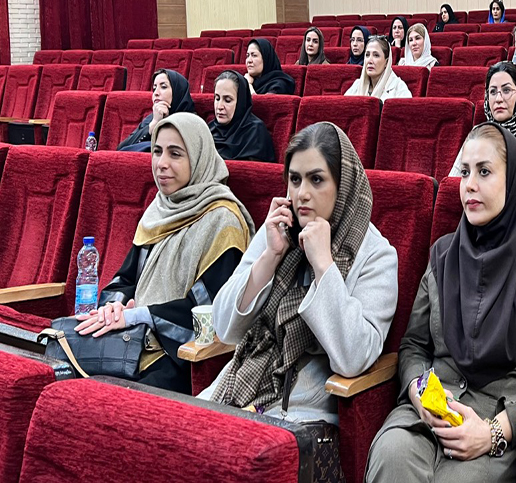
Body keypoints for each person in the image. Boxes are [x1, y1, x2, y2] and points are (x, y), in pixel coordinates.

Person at [365, 124, 516, 482]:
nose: (469, 184)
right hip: (428, 414)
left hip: (495, 423)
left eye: (484, 172)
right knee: (392, 456)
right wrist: (419, 396)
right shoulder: (442, 256)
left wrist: (493, 433)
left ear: (512, 183)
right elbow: (414, 345)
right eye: (465, 172)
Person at [205, 122, 398, 433]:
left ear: (342, 185)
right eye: (295, 180)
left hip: (307, 409)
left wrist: (324, 266)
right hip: (241, 384)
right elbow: (225, 327)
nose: (302, 194)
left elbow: (354, 358)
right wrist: (271, 256)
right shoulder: (279, 230)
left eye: (316, 179)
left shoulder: (376, 254)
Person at [76, 113, 254, 393]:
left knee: (99, 399)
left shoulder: (223, 222)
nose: (161, 163)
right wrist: (115, 307)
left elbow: (209, 311)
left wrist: (140, 316)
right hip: (130, 342)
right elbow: (126, 279)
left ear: (198, 158)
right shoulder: (159, 209)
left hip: (180, 358)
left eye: (175, 154)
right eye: (157, 151)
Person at [449, 62, 516, 183]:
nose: (498, 99)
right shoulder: (478, 132)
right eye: (493, 92)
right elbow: (452, 184)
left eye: (506, 90)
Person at [118, 69, 195, 152]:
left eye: (163, 87)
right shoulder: (151, 118)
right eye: (154, 88)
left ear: (178, 92)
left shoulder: (191, 122)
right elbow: (121, 148)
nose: (156, 93)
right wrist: (153, 125)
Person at [209, 70, 275, 162]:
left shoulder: (255, 132)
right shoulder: (209, 129)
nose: (219, 106)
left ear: (241, 102)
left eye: (227, 100)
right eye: (217, 98)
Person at [346, 36, 413, 101]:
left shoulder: (399, 87)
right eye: (367, 55)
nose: (370, 61)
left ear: (387, 62)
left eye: (376, 55)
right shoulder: (357, 85)